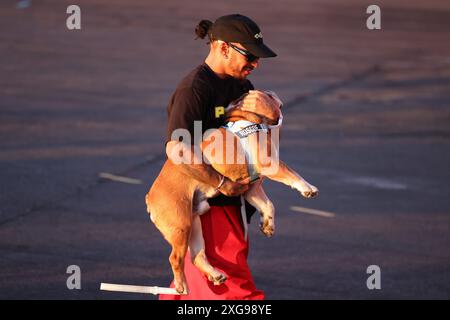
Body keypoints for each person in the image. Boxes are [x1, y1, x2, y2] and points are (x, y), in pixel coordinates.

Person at [159, 14, 280, 300]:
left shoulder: (242, 87)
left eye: (258, 58)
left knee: (196, 285)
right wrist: (222, 182)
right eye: (249, 55)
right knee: (233, 289)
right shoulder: (195, 89)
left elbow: (257, 143)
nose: (255, 64)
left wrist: (273, 118)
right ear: (223, 47)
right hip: (207, 205)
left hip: (235, 201)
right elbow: (178, 149)